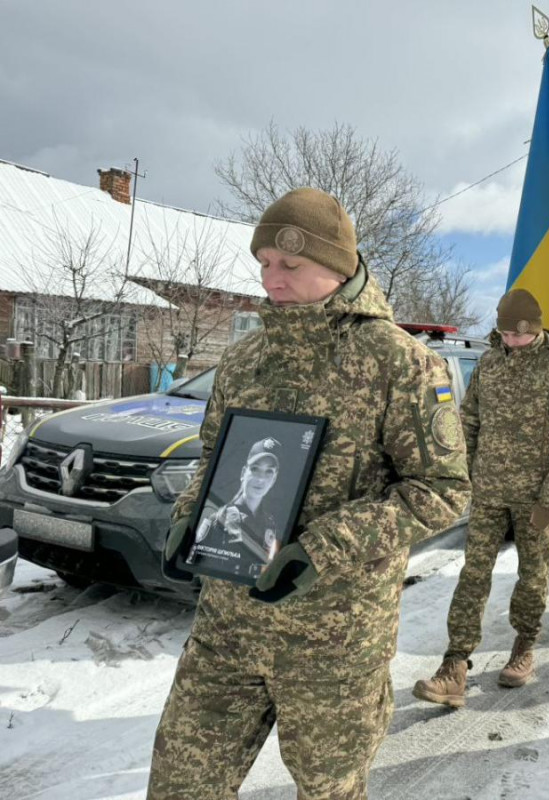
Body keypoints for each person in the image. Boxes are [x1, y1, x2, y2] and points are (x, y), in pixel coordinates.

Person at [151, 187, 471, 800]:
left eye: (289, 265)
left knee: (329, 791)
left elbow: (440, 491)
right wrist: (189, 520)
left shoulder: (401, 365)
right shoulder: (245, 361)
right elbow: (213, 462)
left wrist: (323, 548)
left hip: (335, 639)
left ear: (337, 267)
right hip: (228, 628)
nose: (272, 278)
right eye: (264, 264)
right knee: (179, 785)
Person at [413, 289, 549, 707]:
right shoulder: (490, 362)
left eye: (518, 336)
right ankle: (454, 664)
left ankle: (524, 645)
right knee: (473, 574)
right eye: (505, 334)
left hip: (536, 496)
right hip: (488, 490)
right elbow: (469, 420)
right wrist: (461, 473)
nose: (510, 341)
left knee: (532, 576)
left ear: (535, 330)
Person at [190, 437, 281, 578]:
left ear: (274, 479)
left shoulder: (270, 522)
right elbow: (196, 564)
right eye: (255, 469)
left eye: (269, 471)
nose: (261, 479)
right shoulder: (218, 518)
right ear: (243, 472)